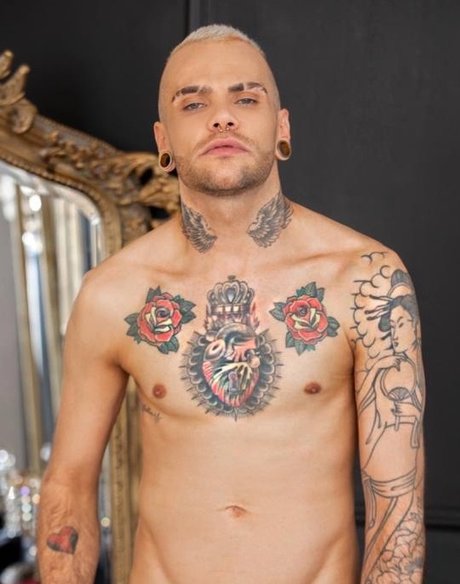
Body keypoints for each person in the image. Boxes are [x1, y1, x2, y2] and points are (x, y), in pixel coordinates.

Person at [37, 24, 425, 584]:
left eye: (245, 99)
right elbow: (68, 486)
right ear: (163, 140)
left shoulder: (366, 281)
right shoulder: (115, 292)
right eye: (194, 103)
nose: (222, 117)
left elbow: (398, 505)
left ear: (282, 127)